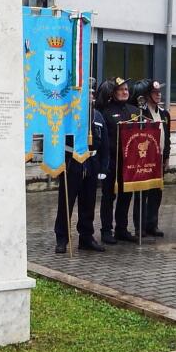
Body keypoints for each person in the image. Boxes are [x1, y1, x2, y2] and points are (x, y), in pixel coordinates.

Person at [53, 80, 108, 253]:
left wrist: (103, 168)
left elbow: (105, 145)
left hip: (91, 163)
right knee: (66, 203)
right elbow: (58, 138)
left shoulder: (98, 116)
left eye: (91, 93)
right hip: (72, 162)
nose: (90, 96)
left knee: (88, 204)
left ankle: (86, 237)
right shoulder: (68, 114)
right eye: (87, 93)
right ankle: (62, 238)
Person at [98, 77, 136, 245]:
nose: (124, 92)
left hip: (128, 162)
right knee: (108, 196)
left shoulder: (132, 111)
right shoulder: (105, 111)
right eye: (120, 89)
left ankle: (122, 229)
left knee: (126, 195)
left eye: (126, 89)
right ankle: (106, 231)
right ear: (113, 93)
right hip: (111, 161)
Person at [131, 79, 171, 238]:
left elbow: (166, 137)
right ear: (147, 95)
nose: (159, 95)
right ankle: (139, 227)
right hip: (144, 159)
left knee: (156, 193)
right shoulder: (140, 113)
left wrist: (166, 156)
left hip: (159, 159)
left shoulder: (164, 113)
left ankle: (152, 224)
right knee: (142, 194)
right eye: (155, 93)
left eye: (159, 92)